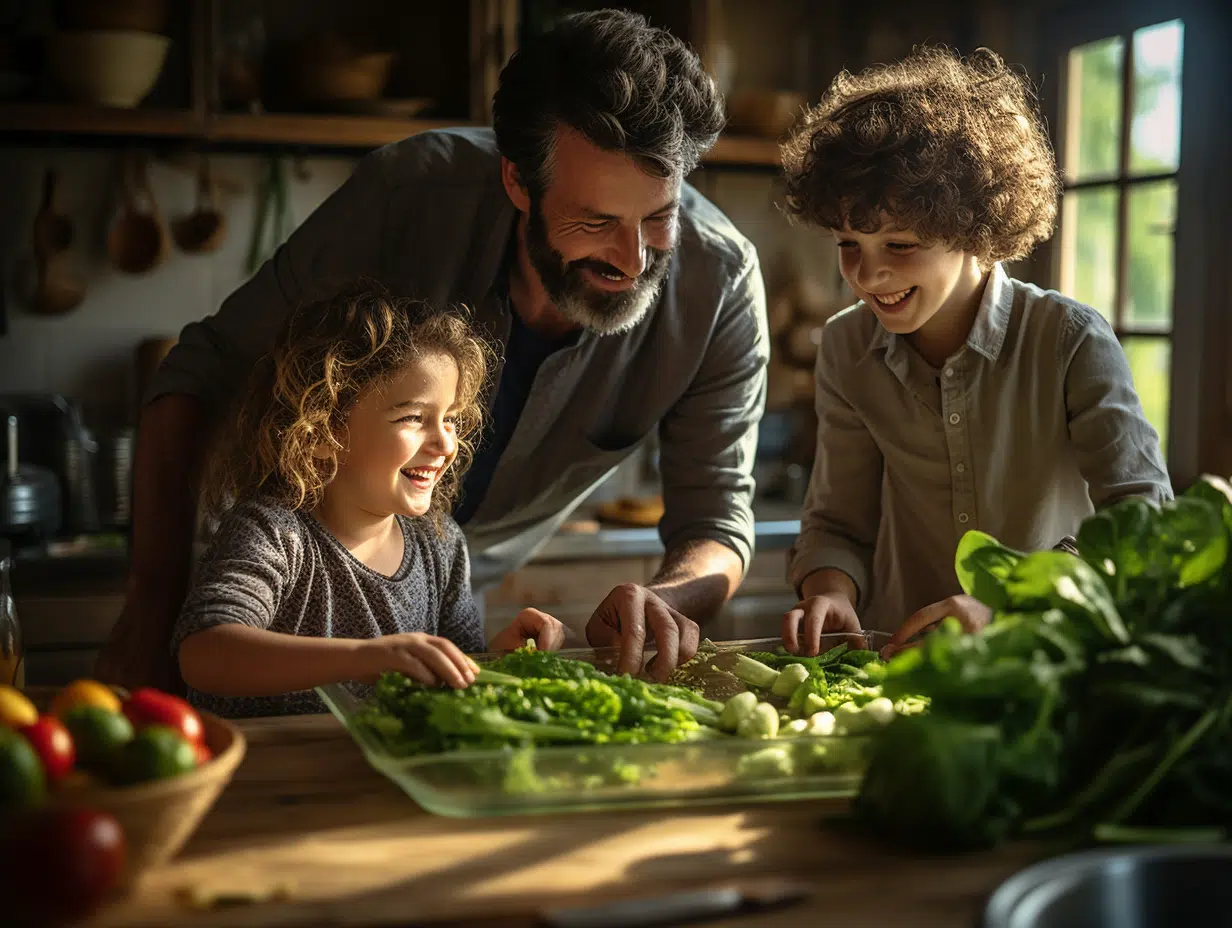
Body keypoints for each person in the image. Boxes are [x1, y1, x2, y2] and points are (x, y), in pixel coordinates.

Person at [96, 9, 769, 691]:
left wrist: (670, 602)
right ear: (517, 184)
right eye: (595, 222)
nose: (632, 260)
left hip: (443, 589)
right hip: (280, 604)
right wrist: (151, 606)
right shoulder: (410, 197)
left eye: (659, 218)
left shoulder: (720, 284)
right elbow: (200, 375)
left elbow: (716, 520)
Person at [777, 46, 1172, 658]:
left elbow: (1143, 522)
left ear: (977, 229)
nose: (869, 274)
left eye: (901, 245)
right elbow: (838, 525)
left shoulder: (1071, 342)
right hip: (899, 670)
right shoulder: (847, 347)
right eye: (848, 243)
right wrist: (830, 591)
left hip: (1047, 668)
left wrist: (1013, 600)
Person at [173, 285, 567, 718]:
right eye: (414, 418)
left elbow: (455, 678)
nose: (445, 443)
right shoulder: (274, 534)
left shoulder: (439, 542)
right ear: (320, 431)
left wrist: (501, 658)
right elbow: (204, 652)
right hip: (272, 774)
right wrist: (363, 659)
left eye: (451, 419)